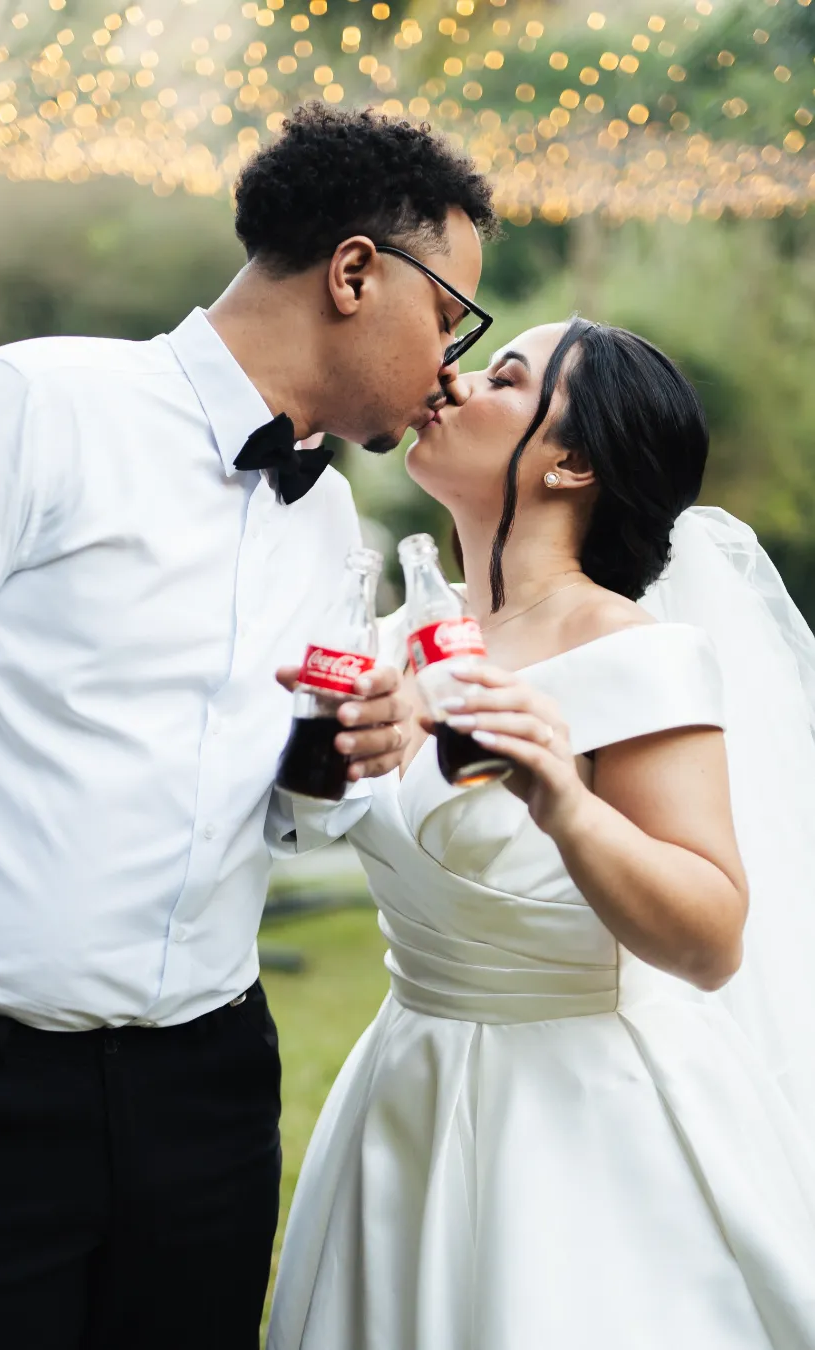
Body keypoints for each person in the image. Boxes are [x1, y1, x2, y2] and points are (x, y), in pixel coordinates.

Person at [0, 106, 497, 1349]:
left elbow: (291, 821)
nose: (452, 365)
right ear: (354, 272)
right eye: (450, 314)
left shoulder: (330, 521)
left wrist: (344, 752)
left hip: (211, 1090)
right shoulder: (26, 408)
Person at [267, 319, 815, 1349]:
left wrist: (563, 799)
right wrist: (313, 767)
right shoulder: (384, 643)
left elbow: (710, 939)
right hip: (406, 1092)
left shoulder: (635, 654)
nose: (452, 380)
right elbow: (301, 827)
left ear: (570, 462)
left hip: (584, 1121)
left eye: (503, 377)